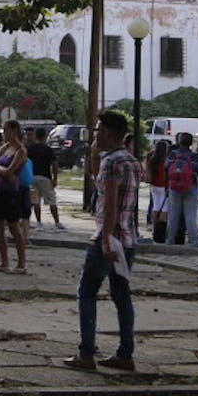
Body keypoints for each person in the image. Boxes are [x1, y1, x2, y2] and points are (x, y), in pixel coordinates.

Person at [64, 110, 139, 372]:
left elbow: (109, 205)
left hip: (108, 237)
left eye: (97, 131)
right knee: (121, 295)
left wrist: (106, 239)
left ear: (107, 133)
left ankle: (86, 353)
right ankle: (125, 352)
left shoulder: (111, 163)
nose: (94, 135)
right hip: (128, 238)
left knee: (86, 292)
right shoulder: (131, 161)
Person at [0, 120, 29, 274]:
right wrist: (1, 169)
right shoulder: (4, 148)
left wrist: (1, 170)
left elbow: (10, 172)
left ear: (13, 131)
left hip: (11, 192)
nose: (3, 133)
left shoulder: (20, 150)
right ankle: (4, 261)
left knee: (14, 227)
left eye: (5, 130)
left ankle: (21, 263)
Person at [164, 132, 198, 247]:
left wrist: (166, 188)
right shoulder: (194, 157)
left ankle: (170, 240)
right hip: (190, 188)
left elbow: (166, 170)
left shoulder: (172, 155)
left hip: (173, 188)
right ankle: (193, 241)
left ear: (179, 142)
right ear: (191, 143)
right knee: (190, 216)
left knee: (173, 215)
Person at [25, 127, 62, 231]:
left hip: (33, 177)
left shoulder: (30, 149)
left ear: (36, 136)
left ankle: (39, 223)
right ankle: (57, 223)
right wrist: (55, 178)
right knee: (51, 201)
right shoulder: (48, 149)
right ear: (45, 137)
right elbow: (54, 165)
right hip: (45, 177)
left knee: (36, 201)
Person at [145, 140, 171, 242]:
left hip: (154, 186)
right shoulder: (167, 160)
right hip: (164, 186)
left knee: (155, 207)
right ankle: (162, 231)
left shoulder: (153, 159)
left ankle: (155, 229)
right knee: (164, 209)